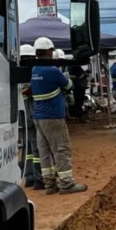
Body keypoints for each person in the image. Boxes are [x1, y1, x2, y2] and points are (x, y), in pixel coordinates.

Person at [31, 36, 87, 195]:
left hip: (39, 117)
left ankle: (49, 184)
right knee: (61, 149)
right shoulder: (53, 70)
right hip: (53, 116)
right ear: (49, 52)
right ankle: (66, 184)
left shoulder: (34, 69)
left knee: (44, 151)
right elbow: (69, 86)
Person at [19, 44, 43, 191]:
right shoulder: (32, 74)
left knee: (28, 150)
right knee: (36, 150)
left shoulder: (18, 73)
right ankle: (39, 179)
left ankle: (29, 177)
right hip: (32, 116)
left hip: (23, 118)